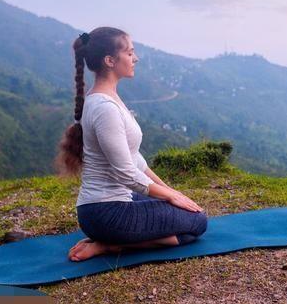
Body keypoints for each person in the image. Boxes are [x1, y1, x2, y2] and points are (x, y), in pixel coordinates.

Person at [54, 27, 207, 262]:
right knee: (197, 222)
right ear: (109, 61)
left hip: (113, 203)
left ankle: (110, 241)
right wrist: (169, 197)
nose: (135, 58)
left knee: (186, 209)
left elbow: (136, 160)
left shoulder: (109, 98)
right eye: (129, 53)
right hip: (106, 214)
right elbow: (126, 173)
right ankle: (109, 246)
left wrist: (171, 191)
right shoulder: (105, 109)